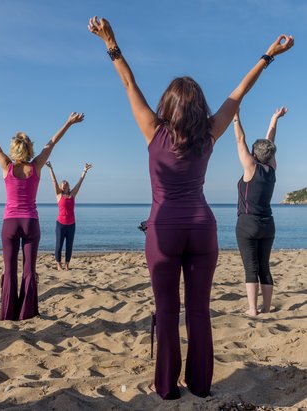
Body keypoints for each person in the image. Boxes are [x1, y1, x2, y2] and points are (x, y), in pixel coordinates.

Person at [88, 16, 294, 399]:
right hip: (202, 228)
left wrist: (111, 43)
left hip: (163, 231)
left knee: (167, 311)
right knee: (198, 311)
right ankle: (199, 384)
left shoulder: (153, 128)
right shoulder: (209, 133)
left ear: (167, 104)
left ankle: (167, 387)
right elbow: (238, 94)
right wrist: (269, 54)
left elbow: (128, 83)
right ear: (198, 106)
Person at [0, 105, 84, 320]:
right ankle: (26, 312)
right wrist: (69, 122)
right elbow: (52, 142)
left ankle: (8, 312)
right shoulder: (36, 166)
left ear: (13, 149)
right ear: (29, 150)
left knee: (9, 269)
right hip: (30, 222)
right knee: (29, 269)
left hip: (9, 222)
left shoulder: (6, 166)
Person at [233, 107, 287, 316]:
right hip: (268, 225)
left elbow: (240, 141)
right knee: (264, 267)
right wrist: (274, 119)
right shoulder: (272, 168)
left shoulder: (250, 167)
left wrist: (236, 117)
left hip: (248, 224)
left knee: (251, 268)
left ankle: (253, 310)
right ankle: (266, 308)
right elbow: (270, 142)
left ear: (254, 154)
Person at [45, 161, 92, 270]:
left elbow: (80, 182)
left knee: (69, 245)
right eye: (62, 182)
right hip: (61, 224)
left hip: (71, 224)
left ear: (68, 186)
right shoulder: (58, 195)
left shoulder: (72, 194)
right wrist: (50, 169)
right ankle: (58, 264)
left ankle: (67, 264)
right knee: (59, 245)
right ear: (61, 187)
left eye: (66, 182)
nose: (64, 182)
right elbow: (54, 181)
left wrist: (84, 171)